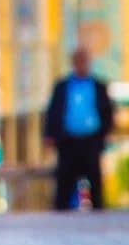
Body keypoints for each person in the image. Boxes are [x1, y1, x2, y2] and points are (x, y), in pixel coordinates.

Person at [44, 46, 115, 211]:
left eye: (84, 61)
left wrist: (106, 133)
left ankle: (98, 216)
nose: (81, 64)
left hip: (91, 140)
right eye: (78, 61)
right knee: (64, 183)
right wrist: (50, 135)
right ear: (73, 63)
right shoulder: (62, 86)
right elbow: (53, 111)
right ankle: (60, 217)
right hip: (68, 141)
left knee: (95, 182)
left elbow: (107, 112)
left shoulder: (98, 86)